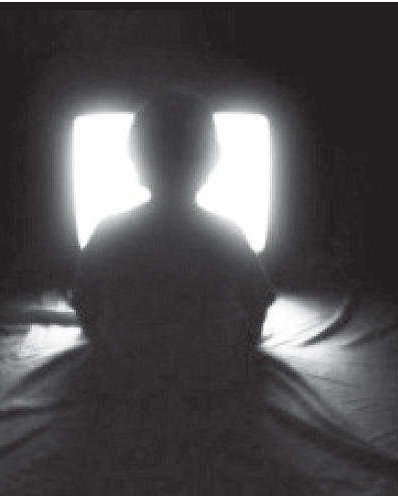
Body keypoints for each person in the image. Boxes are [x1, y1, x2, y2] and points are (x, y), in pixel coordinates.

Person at [72, 89, 275, 394]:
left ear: (135, 159)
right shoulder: (227, 234)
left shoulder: (109, 231)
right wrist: (242, 353)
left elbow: (83, 299)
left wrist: (104, 348)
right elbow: (259, 299)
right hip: (208, 370)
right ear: (212, 161)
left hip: (129, 367)